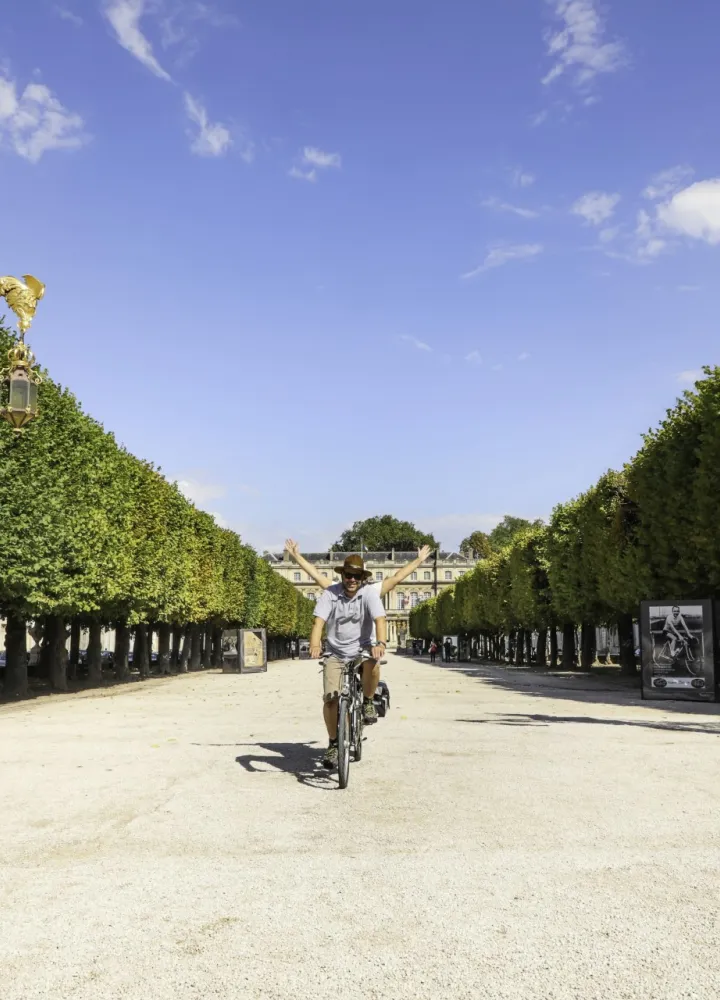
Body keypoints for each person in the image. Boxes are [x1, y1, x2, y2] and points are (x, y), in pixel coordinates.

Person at [309, 555, 387, 769]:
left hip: (362, 649)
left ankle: (369, 701)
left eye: (356, 576)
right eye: (348, 575)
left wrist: (380, 642)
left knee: (374, 660)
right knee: (330, 699)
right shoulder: (330, 594)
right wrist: (315, 644)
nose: (352, 579)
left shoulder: (369, 594)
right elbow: (318, 622)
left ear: (362, 578)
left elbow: (380, 620)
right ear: (341, 575)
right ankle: (334, 743)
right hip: (335, 652)